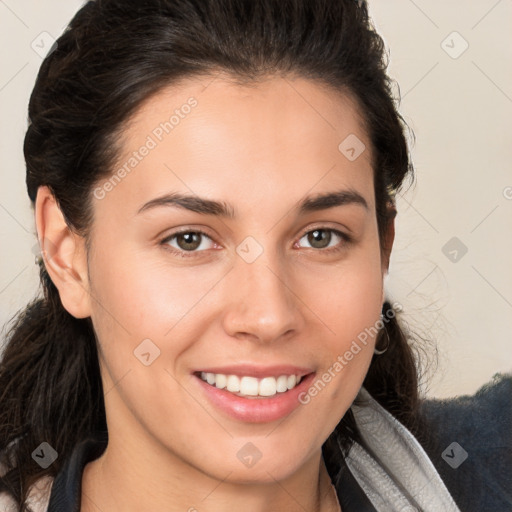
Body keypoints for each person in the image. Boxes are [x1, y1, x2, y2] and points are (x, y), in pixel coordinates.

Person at [0, 0, 510, 511]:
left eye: (320, 237)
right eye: (189, 239)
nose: (269, 316)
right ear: (66, 255)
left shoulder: (487, 473)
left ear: (382, 247)